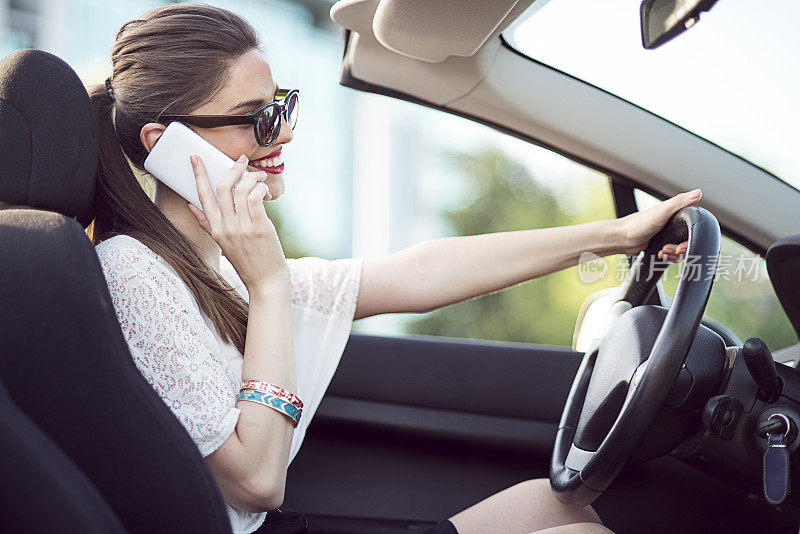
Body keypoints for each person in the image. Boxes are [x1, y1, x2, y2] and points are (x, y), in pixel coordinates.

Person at [88, 4, 696, 534]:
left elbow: (418, 275)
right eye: (258, 117)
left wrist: (617, 236)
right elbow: (257, 484)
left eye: (282, 108)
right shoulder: (135, 273)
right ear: (164, 143)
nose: (285, 134)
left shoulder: (215, 269)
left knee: (556, 506)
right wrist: (269, 285)